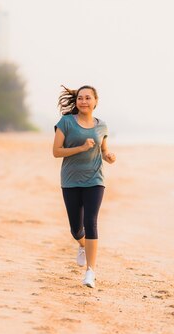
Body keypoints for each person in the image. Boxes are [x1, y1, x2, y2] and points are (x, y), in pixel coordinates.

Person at [53, 85, 116, 288]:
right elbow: (56, 151)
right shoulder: (66, 122)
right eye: (80, 98)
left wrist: (108, 156)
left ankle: (91, 271)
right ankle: (82, 245)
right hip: (71, 180)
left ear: (95, 101)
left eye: (88, 98)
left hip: (95, 180)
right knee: (76, 229)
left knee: (91, 222)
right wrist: (81, 147)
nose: (83, 101)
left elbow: (103, 150)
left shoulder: (102, 126)